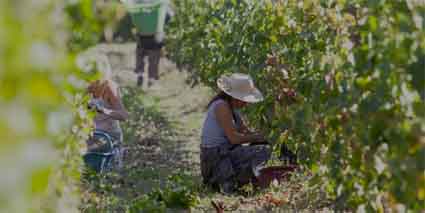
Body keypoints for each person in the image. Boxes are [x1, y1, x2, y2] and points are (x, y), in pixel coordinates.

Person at [200, 73, 271, 193]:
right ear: (234, 97)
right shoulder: (221, 107)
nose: (246, 103)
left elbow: (245, 132)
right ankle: (228, 181)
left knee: (259, 146)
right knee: (264, 151)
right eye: (244, 99)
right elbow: (234, 138)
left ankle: (236, 181)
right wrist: (257, 137)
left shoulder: (232, 109)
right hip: (216, 159)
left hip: (224, 154)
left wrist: (263, 135)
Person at [86, 78, 129, 169]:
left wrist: (103, 110)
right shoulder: (79, 86)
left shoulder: (109, 87)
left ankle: (117, 153)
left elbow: (124, 115)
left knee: (89, 151)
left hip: (107, 135)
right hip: (89, 135)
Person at [134, 4, 174, 87]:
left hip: (143, 35)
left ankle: (141, 75)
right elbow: (169, 17)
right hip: (155, 36)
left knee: (141, 55)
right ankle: (150, 79)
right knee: (153, 59)